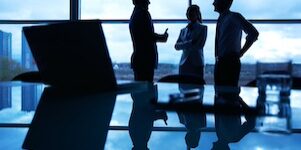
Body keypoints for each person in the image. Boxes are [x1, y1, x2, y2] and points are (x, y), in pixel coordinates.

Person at [213, 0, 259, 86]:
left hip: (230, 62)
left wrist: (241, 52)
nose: (213, 3)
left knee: (229, 94)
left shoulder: (234, 17)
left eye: (216, 0)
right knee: (220, 93)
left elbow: (254, 33)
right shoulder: (221, 19)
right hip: (220, 62)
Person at [130, 0, 169, 82]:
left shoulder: (134, 15)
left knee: (141, 89)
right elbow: (148, 35)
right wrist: (163, 37)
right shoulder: (144, 14)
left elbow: (144, 35)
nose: (148, 3)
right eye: (147, 0)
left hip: (139, 59)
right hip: (146, 59)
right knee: (147, 90)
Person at [175, 5, 207, 82]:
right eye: (188, 13)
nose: (190, 15)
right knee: (183, 88)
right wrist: (191, 42)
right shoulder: (183, 30)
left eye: (192, 13)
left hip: (197, 63)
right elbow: (176, 46)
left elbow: (199, 45)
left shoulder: (203, 28)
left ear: (197, 14)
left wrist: (183, 45)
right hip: (183, 64)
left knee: (198, 89)